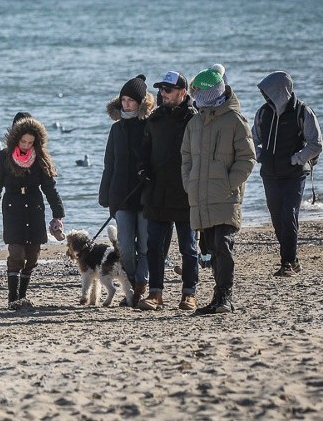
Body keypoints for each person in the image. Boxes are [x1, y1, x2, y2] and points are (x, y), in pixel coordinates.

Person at [181, 64, 255, 315]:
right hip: (200, 197)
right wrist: (189, 182)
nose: (193, 97)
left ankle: (225, 296)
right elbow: (186, 156)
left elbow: (247, 158)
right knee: (210, 248)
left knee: (223, 246)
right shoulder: (195, 122)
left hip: (225, 198)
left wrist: (227, 184)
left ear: (210, 93)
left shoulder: (235, 121)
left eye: (197, 92)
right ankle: (217, 298)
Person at [0, 112, 65, 310]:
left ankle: (22, 296)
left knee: (33, 255)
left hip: (35, 206)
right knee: (17, 254)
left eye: (30, 142)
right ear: (15, 136)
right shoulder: (3, 157)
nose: (26, 145)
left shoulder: (40, 158)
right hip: (12, 207)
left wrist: (58, 212)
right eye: (23, 141)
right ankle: (13, 298)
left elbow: (49, 187)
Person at [136, 71, 199, 311]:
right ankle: (156, 293)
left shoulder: (195, 119)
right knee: (154, 246)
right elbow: (143, 152)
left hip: (185, 193)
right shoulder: (154, 118)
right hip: (157, 192)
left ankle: (188, 294)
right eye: (161, 89)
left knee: (188, 247)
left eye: (168, 90)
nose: (163, 94)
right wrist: (142, 171)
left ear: (183, 92)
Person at [252, 71, 322, 277]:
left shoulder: (303, 112)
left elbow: (316, 143)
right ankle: (293, 258)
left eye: (268, 91)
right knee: (276, 217)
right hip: (269, 173)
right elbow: (252, 139)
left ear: (280, 90)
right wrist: (260, 156)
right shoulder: (263, 113)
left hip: (294, 174)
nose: (265, 96)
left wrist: (296, 159)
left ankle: (287, 262)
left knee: (289, 214)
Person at [99, 74, 155, 306]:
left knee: (144, 244)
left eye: (131, 100)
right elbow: (109, 164)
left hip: (145, 195)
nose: (126, 104)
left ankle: (141, 285)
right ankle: (132, 282)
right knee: (126, 246)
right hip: (120, 196)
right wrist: (104, 194)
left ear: (141, 102)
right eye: (123, 100)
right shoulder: (116, 130)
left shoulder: (149, 126)